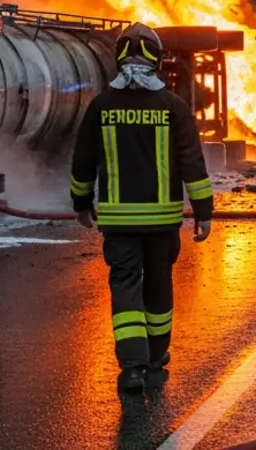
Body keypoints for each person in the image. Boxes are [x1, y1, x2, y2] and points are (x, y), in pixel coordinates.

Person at [69, 23, 215, 392]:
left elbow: (82, 161)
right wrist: (203, 212)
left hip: (119, 223)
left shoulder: (101, 106)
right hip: (163, 222)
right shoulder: (173, 107)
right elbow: (192, 164)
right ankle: (156, 355)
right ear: (158, 58)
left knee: (125, 288)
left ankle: (132, 367)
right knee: (159, 285)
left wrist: (81, 204)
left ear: (119, 58)